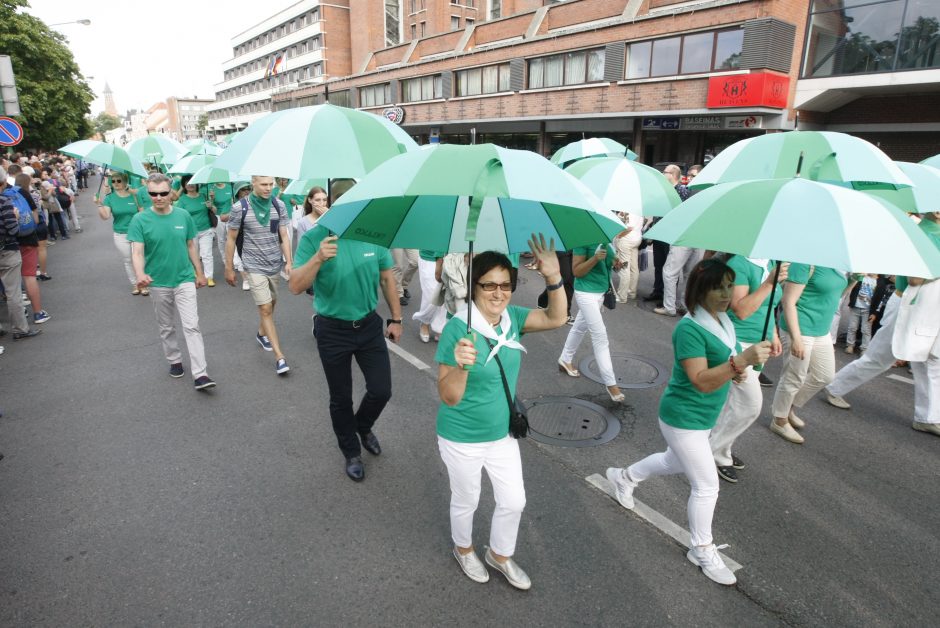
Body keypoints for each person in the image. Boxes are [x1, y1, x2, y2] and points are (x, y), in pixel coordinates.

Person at [606, 258, 771, 585]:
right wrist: (740, 363)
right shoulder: (689, 328)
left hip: (704, 415)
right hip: (683, 417)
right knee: (707, 485)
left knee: (672, 461)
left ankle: (624, 477)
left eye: (729, 285)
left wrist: (733, 369)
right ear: (700, 290)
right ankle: (702, 548)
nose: (726, 293)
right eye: (718, 286)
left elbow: (721, 364)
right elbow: (700, 380)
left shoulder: (722, 319)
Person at [437, 238, 567, 589]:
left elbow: (557, 317)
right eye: (489, 285)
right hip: (461, 435)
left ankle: (499, 554)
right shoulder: (457, 329)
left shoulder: (513, 318)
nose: (499, 293)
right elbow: (448, 396)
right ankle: (463, 549)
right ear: (474, 286)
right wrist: (461, 366)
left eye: (506, 284)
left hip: (501, 433)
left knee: (514, 501)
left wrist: (553, 276)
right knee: (467, 499)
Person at [289, 190, 403, 482]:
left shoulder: (373, 235)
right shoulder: (315, 238)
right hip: (331, 330)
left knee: (381, 390)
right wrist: (317, 258)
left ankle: (362, 427)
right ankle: (351, 451)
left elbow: (387, 277)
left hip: (368, 326)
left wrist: (396, 318)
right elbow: (295, 286)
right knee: (340, 398)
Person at [128, 173, 215, 391]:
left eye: (163, 193)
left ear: (172, 193)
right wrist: (140, 274)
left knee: (192, 325)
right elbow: (137, 251)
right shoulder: (140, 220)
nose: (158, 197)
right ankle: (174, 359)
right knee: (166, 326)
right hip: (158, 282)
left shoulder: (183, 216)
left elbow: (191, 246)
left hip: (184, 279)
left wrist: (200, 272)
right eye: (153, 194)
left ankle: (201, 374)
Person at [709, 258, 788, 483]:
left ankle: (720, 448)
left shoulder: (772, 261)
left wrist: (773, 332)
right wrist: (769, 283)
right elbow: (741, 310)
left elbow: (771, 304)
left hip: (758, 343)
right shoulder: (739, 264)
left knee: (733, 404)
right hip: (738, 344)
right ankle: (712, 453)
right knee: (750, 405)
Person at [769, 264, 848, 444]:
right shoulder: (805, 263)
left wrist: (852, 281)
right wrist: (796, 338)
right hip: (800, 327)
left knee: (824, 376)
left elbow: (835, 296)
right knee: (794, 376)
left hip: (822, 330)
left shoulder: (837, 264)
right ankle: (779, 420)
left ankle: (786, 407)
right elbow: (788, 302)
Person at [225, 176, 293, 375]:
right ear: (253, 183)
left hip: (274, 264)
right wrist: (229, 267)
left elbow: (283, 235)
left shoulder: (278, 205)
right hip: (252, 265)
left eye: (271, 184)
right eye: (264, 184)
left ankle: (261, 333)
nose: (268, 188)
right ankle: (280, 357)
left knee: (271, 305)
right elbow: (231, 239)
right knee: (264, 308)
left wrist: (289, 261)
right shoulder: (240, 208)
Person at [558, 241, 624, 402]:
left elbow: (606, 266)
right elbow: (577, 271)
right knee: (600, 336)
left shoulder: (606, 238)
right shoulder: (583, 239)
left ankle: (565, 359)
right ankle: (611, 384)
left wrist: (615, 263)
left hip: (600, 292)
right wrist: (595, 259)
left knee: (579, 327)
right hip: (585, 293)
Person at [0, 167, 41, 340]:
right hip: (7, 250)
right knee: (13, 292)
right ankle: (20, 328)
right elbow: (13, 230)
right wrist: (15, 217)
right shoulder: (4, 201)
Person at [655, 165, 700, 317]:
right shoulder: (691, 190)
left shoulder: (684, 191)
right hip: (692, 235)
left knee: (671, 272)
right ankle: (683, 305)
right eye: (689, 175)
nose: (690, 178)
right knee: (687, 273)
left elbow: (679, 214)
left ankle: (671, 306)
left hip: (685, 236)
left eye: (693, 175)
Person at [97, 173, 145, 295]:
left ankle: (143, 283)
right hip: (120, 233)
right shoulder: (109, 198)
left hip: (137, 232)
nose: (116, 183)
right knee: (128, 259)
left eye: (119, 181)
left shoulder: (134, 196)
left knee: (139, 257)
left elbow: (142, 213)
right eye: (113, 181)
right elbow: (106, 216)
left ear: (125, 182)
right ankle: (135, 284)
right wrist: (98, 204)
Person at [174, 179, 216, 287]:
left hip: (206, 229)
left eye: (192, 183)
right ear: (184, 185)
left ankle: (209, 277)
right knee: (194, 255)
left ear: (197, 184)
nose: (190, 185)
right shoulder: (182, 199)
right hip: (191, 232)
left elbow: (214, 211)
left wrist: (211, 203)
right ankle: (197, 274)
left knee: (207, 254)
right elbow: (179, 216)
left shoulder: (203, 196)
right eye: (187, 183)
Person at [412, 249, 447, 342]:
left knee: (444, 294)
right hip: (429, 256)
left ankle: (439, 326)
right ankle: (425, 321)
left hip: (450, 256)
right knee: (431, 295)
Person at [613, 212, 643, 304]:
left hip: (627, 239)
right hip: (637, 238)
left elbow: (629, 227)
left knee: (624, 268)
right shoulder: (639, 209)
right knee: (634, 267)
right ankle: (631, 292)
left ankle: (622, 296)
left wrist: (618, 236)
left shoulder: (629, 209)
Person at [844, 273, 877, 354]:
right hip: (856, 306)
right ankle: (850, 345)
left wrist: (874, 312)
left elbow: (879, 298)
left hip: (868, 310)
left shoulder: (878, 281)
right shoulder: (861, 277)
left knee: (866, 329)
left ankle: (865, 348)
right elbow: (852, 286)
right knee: (852, 327)